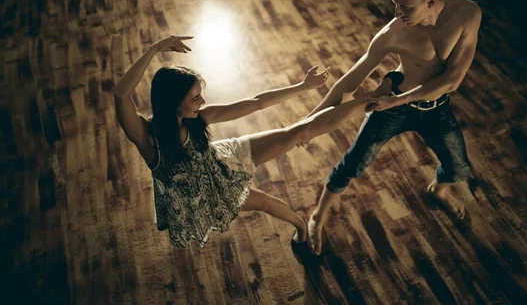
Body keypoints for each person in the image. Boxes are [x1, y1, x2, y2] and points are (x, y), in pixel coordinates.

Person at [112, 35, 374, 248]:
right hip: (208, 195)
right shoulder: (147, 139)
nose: (202, 102)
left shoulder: (199, 118)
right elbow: (121, 93)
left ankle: (366, 102)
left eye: (200, 96)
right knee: (266, 203)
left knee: (299, 133)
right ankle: (302, 225)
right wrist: (154, 49)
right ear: (172, 102)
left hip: (221, 161)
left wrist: (303, 87)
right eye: (194, 98)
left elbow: (256, 102)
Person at [304, 0, 482, 255]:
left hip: (432, 107)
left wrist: (396, 99)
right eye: (394, 4)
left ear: (431, 0)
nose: (398, 14)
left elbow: (452, 80)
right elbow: (349, 82)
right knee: (354, 163)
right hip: (394, 105)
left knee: (458, 168)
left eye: (406, 7)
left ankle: (438, 190)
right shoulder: (393, 33)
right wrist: (307, 124)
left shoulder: (467, 13)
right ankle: (317, 215)